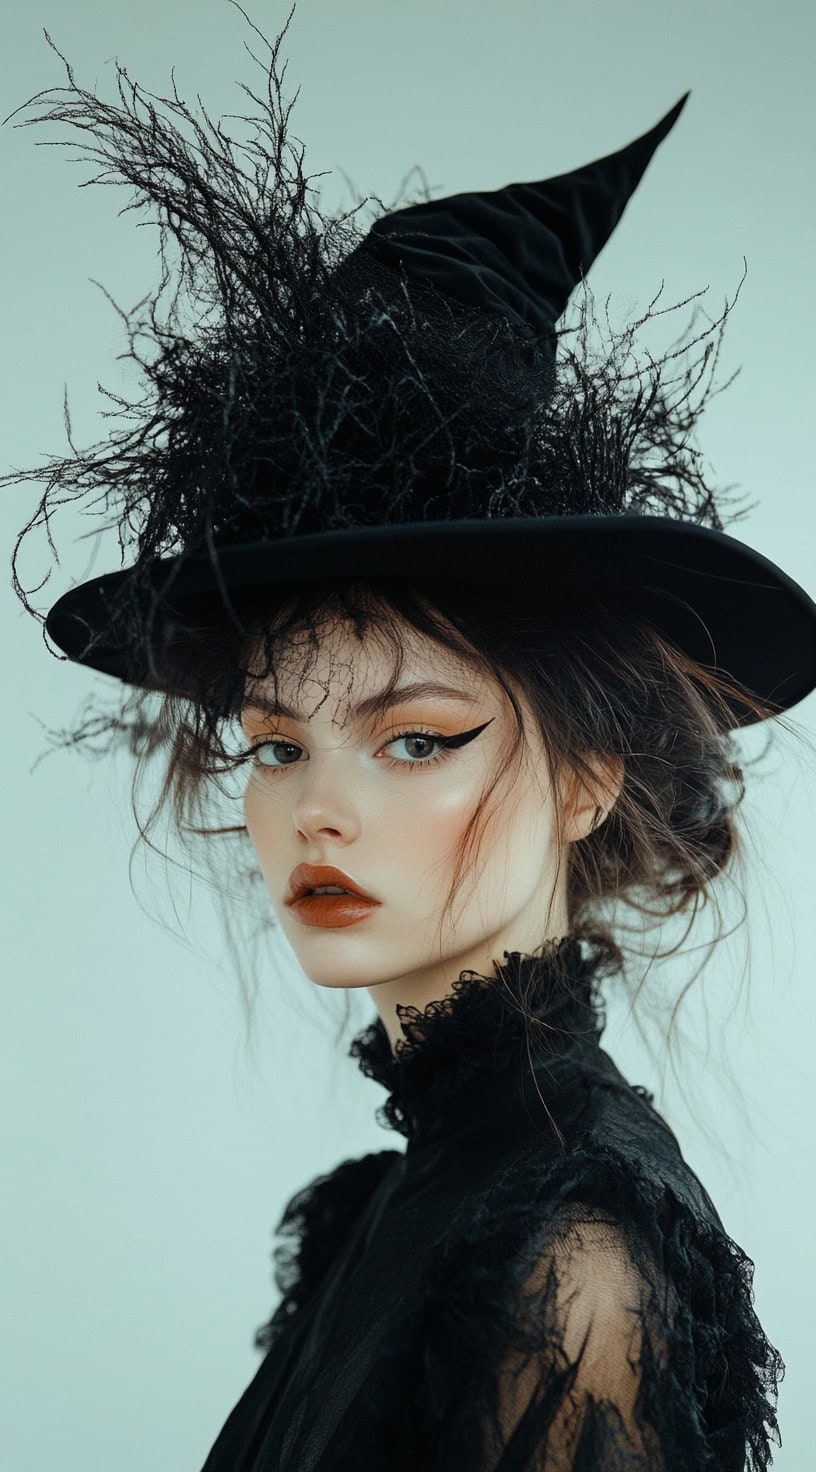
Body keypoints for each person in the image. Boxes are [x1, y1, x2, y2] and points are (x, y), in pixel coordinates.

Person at [8, 10, 815, 1468]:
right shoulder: (385, 1212)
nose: (317, 811)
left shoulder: (572, 1261)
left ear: (585, 776)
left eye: (419, 739)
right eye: (273, 747)